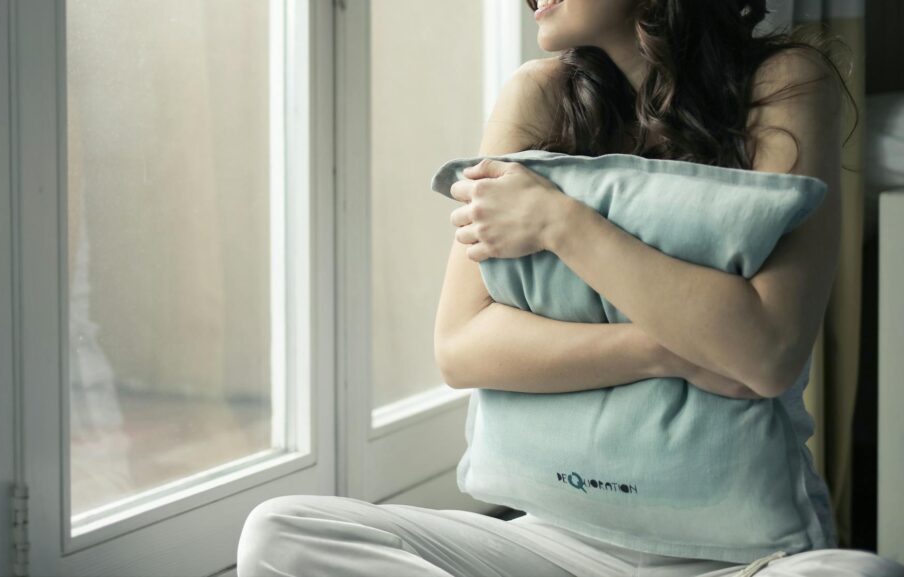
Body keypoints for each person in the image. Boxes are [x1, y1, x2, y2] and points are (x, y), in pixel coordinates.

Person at [236, 0, 904, 575]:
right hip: (549, 545)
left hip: (740, 558)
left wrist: (560, 221)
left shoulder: (784, 83)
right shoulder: (538, 96)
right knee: (281, 533)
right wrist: (667, 349)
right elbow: (462, 346)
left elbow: (767, 353)